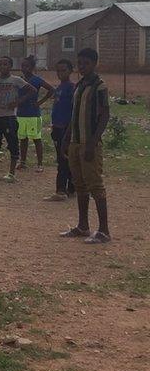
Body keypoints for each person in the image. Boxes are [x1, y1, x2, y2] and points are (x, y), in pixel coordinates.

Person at [59, 48, 111, 244]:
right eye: (79, 63)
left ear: (94, 64)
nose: (82, 67)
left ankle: (104, 230)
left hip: (89, 143)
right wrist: (66, 138)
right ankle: (83, 226)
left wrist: (92, 141)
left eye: (86, 63)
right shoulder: (79, 86)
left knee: (95, 185)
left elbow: (105, 115)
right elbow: (74, 115)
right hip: (74, 142)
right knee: (79, 185)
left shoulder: (100, 86)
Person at [0, 56, 36, 183]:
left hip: (9, 117)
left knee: (12, 144)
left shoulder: (16, 80)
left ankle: (11, 173)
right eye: (0, 64)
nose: (2, 67)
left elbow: (32, 90)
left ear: (10, 66)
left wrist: (18, 101)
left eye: (5, 64)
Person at [44, 59, 76, 201]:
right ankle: (72, 186)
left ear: (70, 71)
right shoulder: (60, 87)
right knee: (64, 158)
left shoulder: (72, 88)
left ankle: (61, 190)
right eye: (58, 70)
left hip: (66, 129)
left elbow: (73, 111)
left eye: (64, 70)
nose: (60, 73)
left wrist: (68, 129)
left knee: (63, 159)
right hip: (57, 128)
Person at [16, 56, 54, 172]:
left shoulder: (36, 80)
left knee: (36, 139)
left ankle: (40, 164)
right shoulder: (19, 80)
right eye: (22, 66)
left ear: (32, 68)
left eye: (26, 66)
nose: (24, 68)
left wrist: (40, 102)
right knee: (23, 139)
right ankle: (23, 162)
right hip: (21, 114)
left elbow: (51, 89)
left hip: (33, 114)